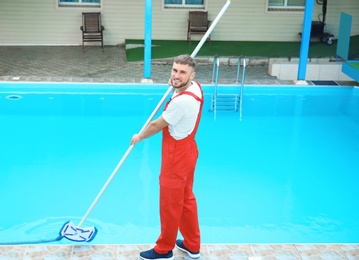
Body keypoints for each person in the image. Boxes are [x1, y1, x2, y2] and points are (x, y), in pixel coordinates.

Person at [131, 54, 204, 260]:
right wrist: (176, 84)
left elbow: (156, 125)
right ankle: (192, 245)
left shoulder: (181, 103)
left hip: (176, 159)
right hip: (189, 151)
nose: (176, 75)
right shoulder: (196, 88)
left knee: (170, 204)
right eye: (174, 70)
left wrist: (139, 137)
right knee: (186, 199)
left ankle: (164, 249)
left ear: (192, 74)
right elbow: (180, 87)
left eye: (182, 72)